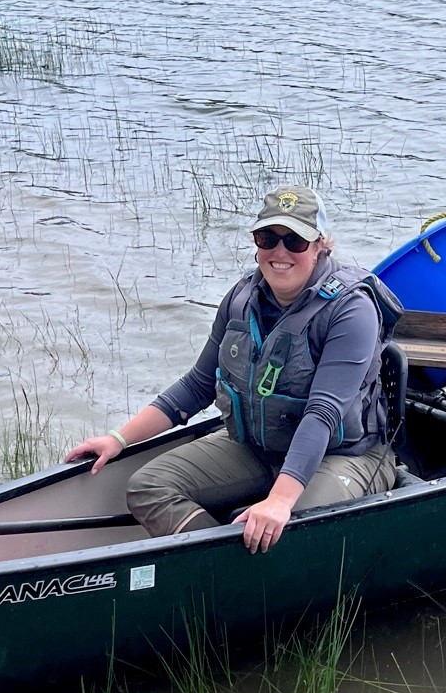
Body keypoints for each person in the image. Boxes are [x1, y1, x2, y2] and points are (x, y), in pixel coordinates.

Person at [64, 185, 401, 553]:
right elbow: (197, 385)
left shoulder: (351, 310)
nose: (279, 252)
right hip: (259, 446)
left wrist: (279, 501)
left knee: (289, 532)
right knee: (148, 486)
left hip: (344, 455)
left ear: (321, 245)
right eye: (267, 238)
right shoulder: (243, 298)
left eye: (296, 241)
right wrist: (119, 439)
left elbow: (323, 413)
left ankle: (252, 563)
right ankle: (217, 567)